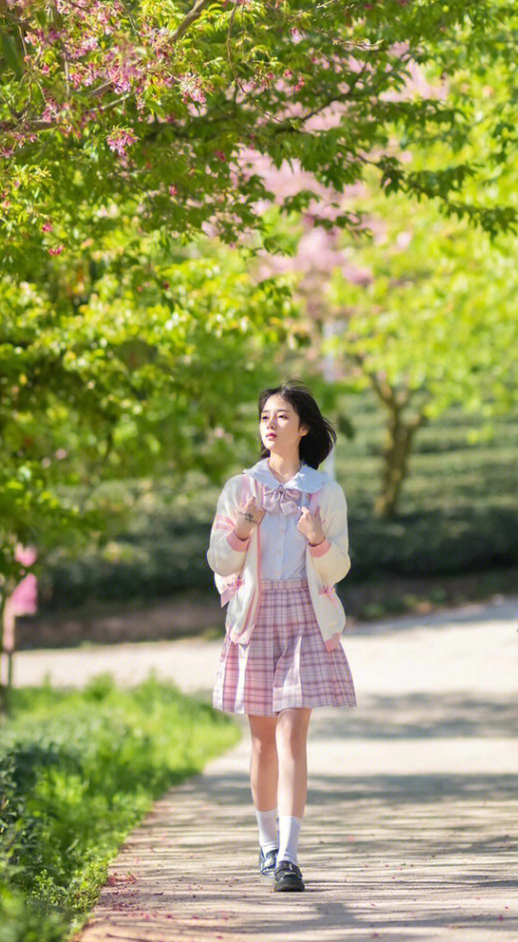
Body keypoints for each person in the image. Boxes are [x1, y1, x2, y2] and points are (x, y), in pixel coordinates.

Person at [207, 382, 356, 894]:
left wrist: (316, 537)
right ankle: (267, 845)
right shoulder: (238, 489)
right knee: (262, 739)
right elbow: (220, 561)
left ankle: (290, 857)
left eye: (283, 416)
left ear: (305, 427)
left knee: (294, 734)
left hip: (306, 617)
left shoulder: (325, 492)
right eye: (265, 417)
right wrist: (245, 524)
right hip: (256, 617)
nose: (270, 425)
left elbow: (337, 569)